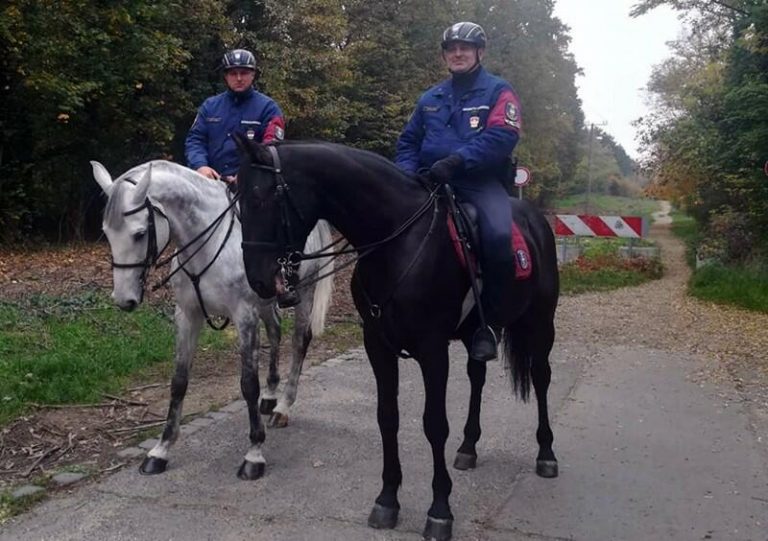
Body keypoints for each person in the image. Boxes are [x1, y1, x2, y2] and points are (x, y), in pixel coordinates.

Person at [394, 21, 522, 362]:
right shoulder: (430, 97)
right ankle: (400, 317)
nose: (458, 53)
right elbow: (408, 142)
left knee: (497, 235)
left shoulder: (498, 91)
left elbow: (502, 136)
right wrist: (407, 176)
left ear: (479, 52)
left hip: (479, 183)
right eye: (451, 49)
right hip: (429, 183)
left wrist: (457, 161)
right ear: (444, 56)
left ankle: (490, 323)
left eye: (465, 48)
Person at [185, 48, 285, 182]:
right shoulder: (209, 106)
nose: (239, 78)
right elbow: (195, 140)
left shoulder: (269, 108)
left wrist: (248, 173)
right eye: (233, 73)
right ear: (226, 76)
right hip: (209, 184)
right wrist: (200, 166)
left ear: (253, 74)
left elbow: (272, 149)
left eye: (244, 73)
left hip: (252, 187)